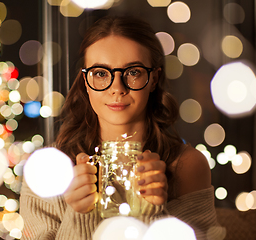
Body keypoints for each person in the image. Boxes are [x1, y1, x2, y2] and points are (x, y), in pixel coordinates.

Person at [20, 16, 220, 240]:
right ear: (86, 81)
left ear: (154, 78)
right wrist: (80, 215)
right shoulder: (48, 170)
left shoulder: (187, 166)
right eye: (101, 73)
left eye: (133, 72)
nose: (117, 88)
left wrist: (152, 213)